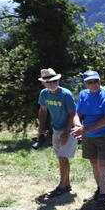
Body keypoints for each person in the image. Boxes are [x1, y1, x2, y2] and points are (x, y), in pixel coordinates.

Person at [70, 70, 105, 210]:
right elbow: (77, 114)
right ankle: (99, 189)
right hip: (88, 135)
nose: (93, 84)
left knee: (103, 164)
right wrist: (78, 125)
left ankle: (103, 196)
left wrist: (84, 129)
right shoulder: (83, 95)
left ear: (99, 80)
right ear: (85, 84)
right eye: (89, 82)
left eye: (95, 81)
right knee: (94, 162)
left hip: (104, 134)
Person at [36, 68, 79, 199]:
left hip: (68, 129)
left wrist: (66, 133)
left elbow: (72, 114)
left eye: (55, 81)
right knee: (62, 158)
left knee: (62, 158)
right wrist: (41, 129)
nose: (52, 84)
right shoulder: (44, 94)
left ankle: (61, 187)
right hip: (56, 129)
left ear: (58, 80)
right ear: (43, 83)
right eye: (49, 82)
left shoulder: (66, 94)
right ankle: (66, 185)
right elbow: (43, 111)